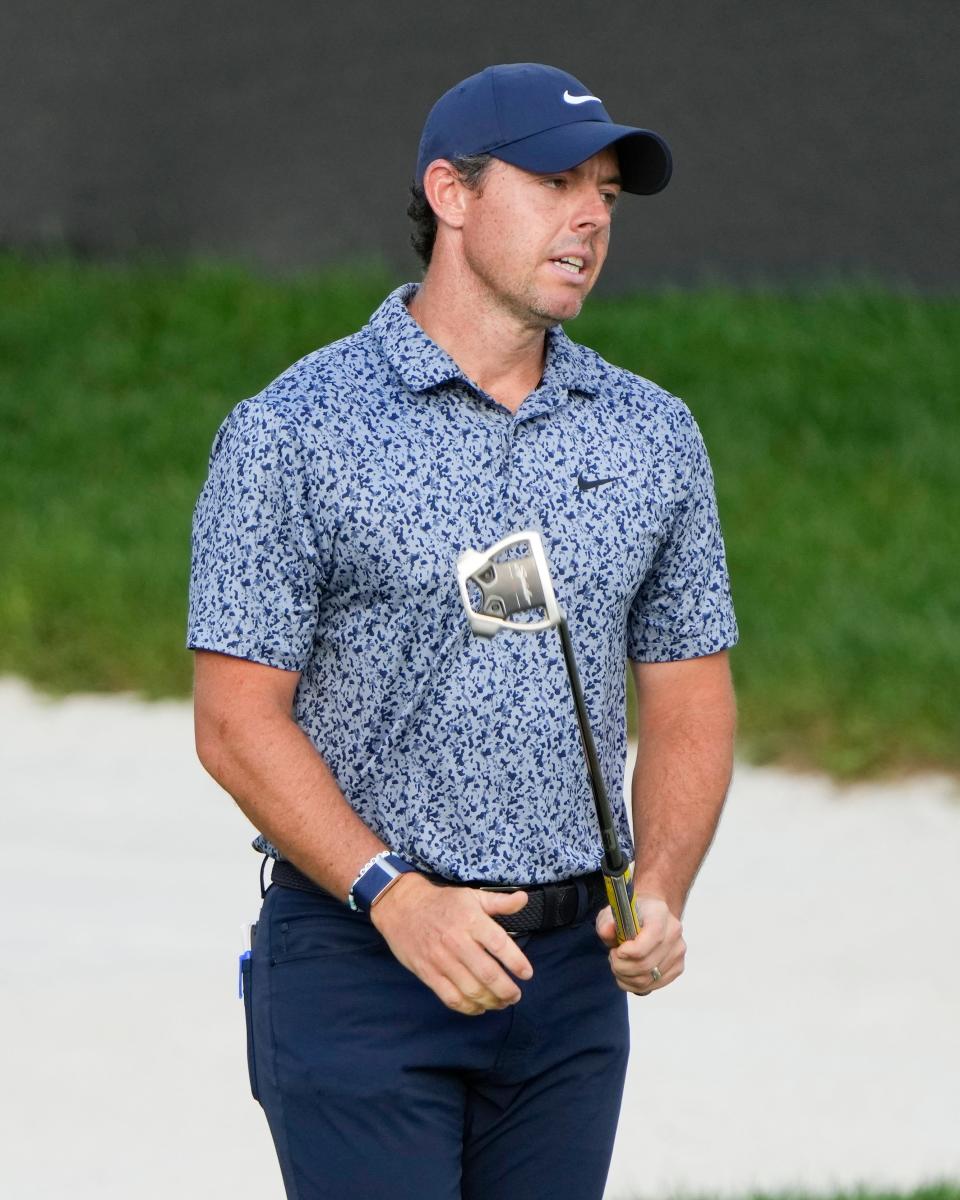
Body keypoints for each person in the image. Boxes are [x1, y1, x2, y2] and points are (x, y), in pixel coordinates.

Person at [189, 62, 738, 1200]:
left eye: (607, 195)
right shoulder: (293, 431)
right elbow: (237, 720)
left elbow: (688, 693)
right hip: (362, 958)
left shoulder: (652, 435)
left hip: (571, 980)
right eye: (554, 183)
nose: (588, 216)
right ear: (450, 192)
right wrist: (394, 895)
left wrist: (666, 887)